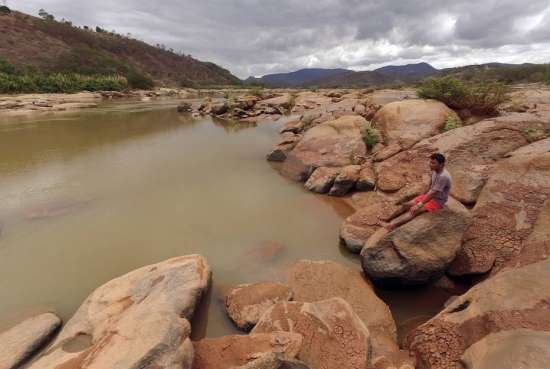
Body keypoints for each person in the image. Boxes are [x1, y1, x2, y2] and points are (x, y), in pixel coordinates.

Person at [380, 153, 452, 231]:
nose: (430, 164)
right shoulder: (435, 171)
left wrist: (419, 204)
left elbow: (433, 193)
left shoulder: (443, 176)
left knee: (414, 211)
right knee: (406, 205)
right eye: (430, 162)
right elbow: (430, 184)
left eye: (433, 163)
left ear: (441, 164)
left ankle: (392, 225)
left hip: (437, 201)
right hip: (429, 196)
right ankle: (387, 219)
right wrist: (423, 195)